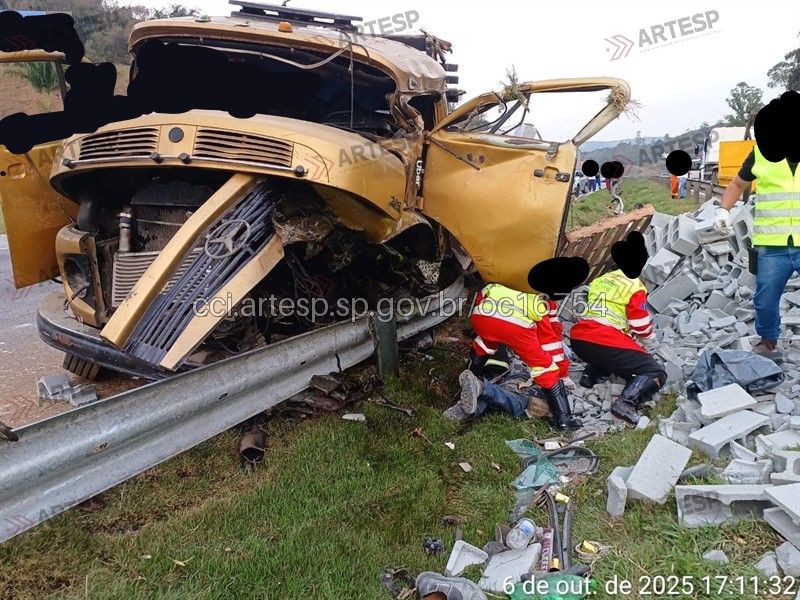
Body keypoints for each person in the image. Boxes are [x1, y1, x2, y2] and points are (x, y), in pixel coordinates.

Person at [568, 234, 666, 424]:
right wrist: (650, 341)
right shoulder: (635, 286)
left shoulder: (601, 280)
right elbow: (639, 323)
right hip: (604, 338)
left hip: (579, 339)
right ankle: (626, 403)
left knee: (613, 350)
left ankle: (591, 373)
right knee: (655, 372)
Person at [714, 143, 800, 355]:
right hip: (772, 245)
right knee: (765, 299)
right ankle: (768, 339)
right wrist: (723, 210)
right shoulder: (761, 153)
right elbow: (737, 184)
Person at [463, 282, 581, 430]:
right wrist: (562, 374)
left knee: (483, 346)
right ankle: (564, 419)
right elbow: (550, 343)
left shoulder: (496, 285)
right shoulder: (540, 303)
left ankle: (470, 377)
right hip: (515, 327)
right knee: (544, 368)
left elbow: (480, 298)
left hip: (482, 316)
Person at [444, 346, 551, 422]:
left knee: (501, 397)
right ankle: (480, 388)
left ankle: (463, 409)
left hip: (512, 370)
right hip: (525, 376)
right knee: (519, 405)